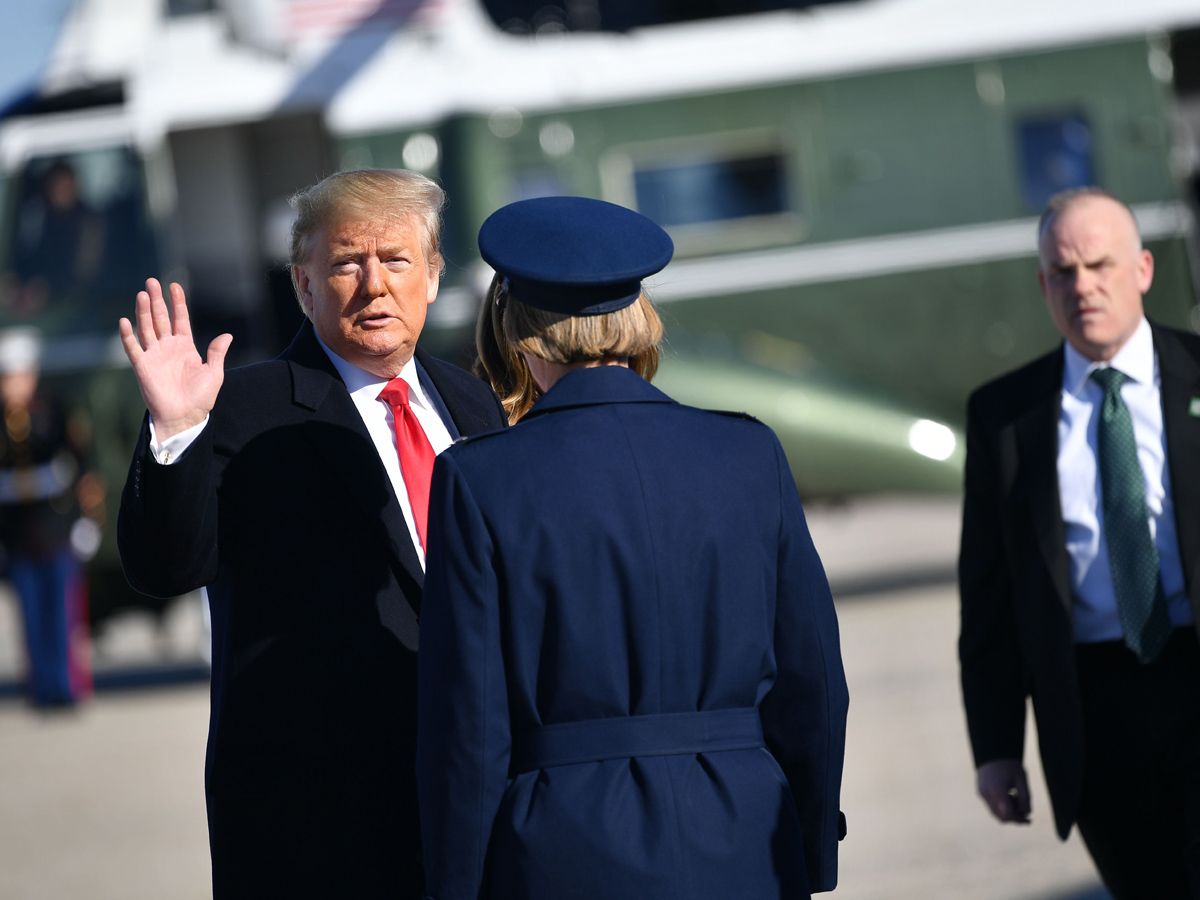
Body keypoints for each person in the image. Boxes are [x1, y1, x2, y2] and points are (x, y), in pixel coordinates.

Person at [417, 196, 849, 900]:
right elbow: (813, 683)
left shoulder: (478, 480)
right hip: (746, 839)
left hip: (565, 850)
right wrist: (806, 851)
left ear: (519, 330)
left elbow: (469, 726)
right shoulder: (748, 453)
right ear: (638, 317)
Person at [116, 169, 508, 899]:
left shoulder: (473, 402)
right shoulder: (238, 409)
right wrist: (175, 432)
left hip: (471, 806)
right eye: (344, 264)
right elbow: (167, 565)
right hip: (318, 830)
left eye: (394, 261)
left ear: (431, 277)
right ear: (302, 286)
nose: (373, 285)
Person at [959, 187, 1200, 899]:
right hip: (1094, 713)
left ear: (1144, 270)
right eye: (1062, 272)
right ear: (1043, 285)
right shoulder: (1006, 416)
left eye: (1099, 265)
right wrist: (998, 747)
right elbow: (990, 596)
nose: (1083, 287)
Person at [0, 327, 95, 707]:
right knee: (31, 617)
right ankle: (40, 688)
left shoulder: (55, 409)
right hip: (17, 535)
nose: (13, 385)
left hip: (57, 528)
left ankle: (63, 687)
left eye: (18, 375)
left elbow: (84, 467)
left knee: (61, 615)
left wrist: (88, 520)